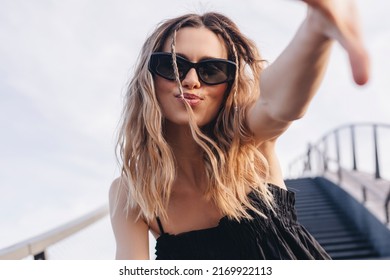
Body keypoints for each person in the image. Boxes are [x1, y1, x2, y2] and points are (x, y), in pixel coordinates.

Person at [109, 0, 369, 260]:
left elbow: (276, 105)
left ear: (229, 86)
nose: (190, 80)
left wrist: (315, 30)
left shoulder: (249, 142)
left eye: (211, 70)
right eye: (172, 66)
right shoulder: (132, 192)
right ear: (149, 77)